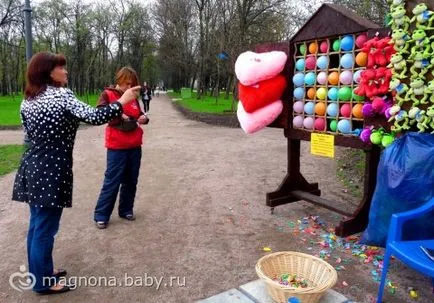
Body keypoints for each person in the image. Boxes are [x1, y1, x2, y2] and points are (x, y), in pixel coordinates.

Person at [11, 51, 140, 295]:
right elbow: (93, 116)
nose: (66, 71)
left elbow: (28, 134)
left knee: (37, 225)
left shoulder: (27, 100)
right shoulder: (61, 96)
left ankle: (41, 272)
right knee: (45, 229)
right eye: (61, 67)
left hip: (31, 166)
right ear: (49, 72)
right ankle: (43, 282)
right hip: (51, 169)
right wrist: (121, 102)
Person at [93, 67, 149, 229]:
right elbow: (100, 113)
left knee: (131, 180)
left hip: (134, 145)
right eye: (126, 83)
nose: (128, 87)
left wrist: (142, 118)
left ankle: (126, 209)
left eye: (132, 84)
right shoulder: (107, 94)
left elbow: (137, 113)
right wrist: (119, 115)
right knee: (112, 180)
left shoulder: (132, 96)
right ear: (119, 80)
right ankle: (101, 215)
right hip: (117, 146)